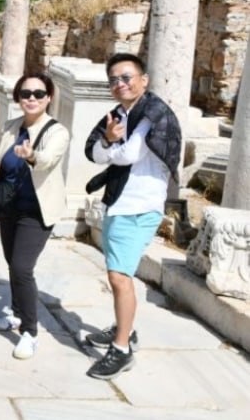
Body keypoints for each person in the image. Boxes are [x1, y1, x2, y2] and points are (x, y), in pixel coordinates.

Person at [83, 53, 181, 379]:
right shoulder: (117, 114)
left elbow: (129, 154)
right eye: (113, 80)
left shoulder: (154, 113)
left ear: (143, 80)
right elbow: (94, 152)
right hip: (118, 203)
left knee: (119, 278)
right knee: (118, 274)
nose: (120, 84)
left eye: (126, 78)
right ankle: (124, 330)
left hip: (140, 206)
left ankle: (121, 349)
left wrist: (110, 145)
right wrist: (108, 142)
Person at [0, 73, 71, 360]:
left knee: (22, 267)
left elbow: (48, 160)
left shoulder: (57, 132)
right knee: (12, 264)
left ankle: (30, 332)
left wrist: (32, 156)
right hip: (8, 208)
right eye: (26, 94)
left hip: (37, 210)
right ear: (18, 98)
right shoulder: (10, 127)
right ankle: (18, 315)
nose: (31, 98)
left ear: (49, 98)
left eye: (38, 93)